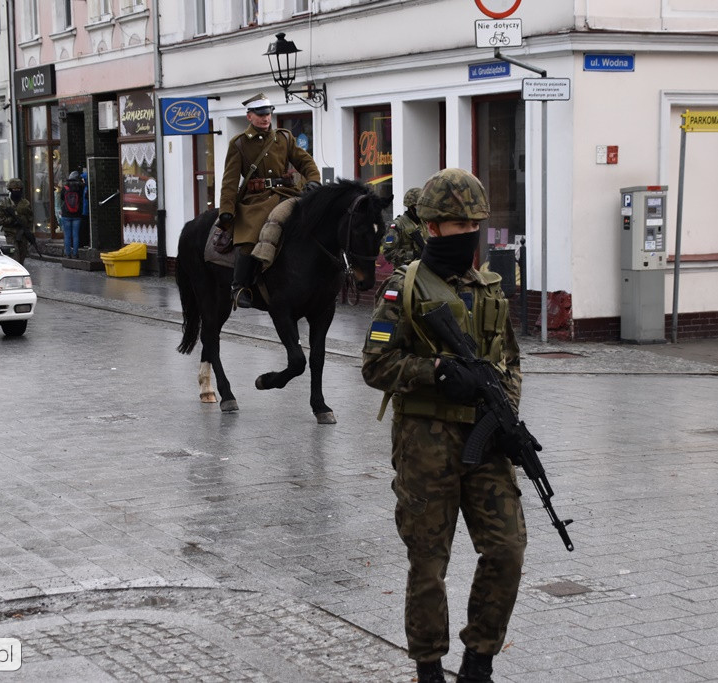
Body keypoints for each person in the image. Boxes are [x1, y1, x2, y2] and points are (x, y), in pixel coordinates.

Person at [361, 168, 526, 683]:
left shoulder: (489, 288)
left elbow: (511, 361)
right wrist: (434, 372)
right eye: (457, 225)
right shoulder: (402, 289)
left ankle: (479, 660)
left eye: (474, 224)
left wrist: (505, 413)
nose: (468, 234)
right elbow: (375, 366)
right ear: (432, 228)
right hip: (425, 444)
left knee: (507, 548)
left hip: (486, 442)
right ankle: (428, 667)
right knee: (429, 563)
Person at [218, 92, 320, 308]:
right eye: (260, 114)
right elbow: (230, 180)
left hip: (287, 193)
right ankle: (239, 286)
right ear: (249, 117)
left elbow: (305, 162)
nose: (266, 118)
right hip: (256, 200)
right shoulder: (239, 144)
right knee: (251, 233)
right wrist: (226, 209)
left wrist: (313, 181)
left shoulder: (284, 138)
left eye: (268, 114)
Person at [383, 186, 429, 269]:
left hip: (424, 271)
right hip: (405, 272)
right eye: (418, 206)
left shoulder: (425, 223)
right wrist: (413, 255)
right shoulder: (396, 225)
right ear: (411, 207)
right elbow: (388, 253)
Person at [0, 178, 34, 265]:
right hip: (11, 234)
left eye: (18, 190)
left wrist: (28, 232)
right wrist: (10, 221)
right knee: (15, 258)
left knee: (22, 258)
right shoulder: (5, 204)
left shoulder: (25, 204)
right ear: (10, 190)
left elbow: (30, 219)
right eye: (14, 190)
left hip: (22, 235)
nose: (16, 191)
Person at [60, 170, 85, 259]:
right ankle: (75, 253)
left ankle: (68, 254)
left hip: (66, 214)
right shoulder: (80, 187)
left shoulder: (65, 187)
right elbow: (82, 197)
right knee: (75, 235)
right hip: (77, 214)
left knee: (67, 235)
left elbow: (62, 198)